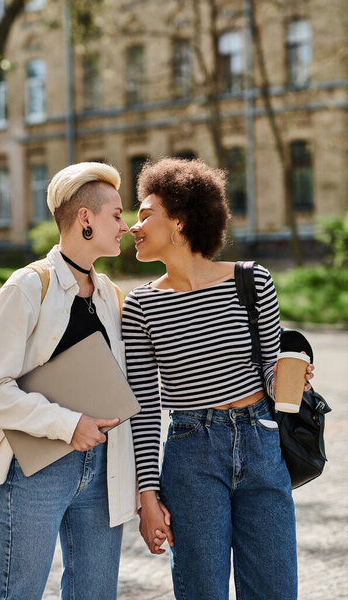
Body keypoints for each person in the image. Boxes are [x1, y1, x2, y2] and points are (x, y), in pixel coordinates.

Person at [121, 157, 314, 600]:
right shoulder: (140, 307)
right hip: (190, 453)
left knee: (274, 590)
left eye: (145, 214)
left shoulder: (251, 280)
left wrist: (291, 377)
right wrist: (147, 496)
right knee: (201, 591)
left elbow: (268, 369)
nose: (134, 226)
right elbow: (145, 407)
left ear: (180, 222)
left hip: (261, 442)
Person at [0, 162, 138, 600]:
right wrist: (68, 424)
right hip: (33, 473)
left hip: (101, 472)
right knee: (16, 594)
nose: (125, 224)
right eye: (116, 215)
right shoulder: (28, 287)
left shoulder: (109, 295)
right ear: (85, 219)